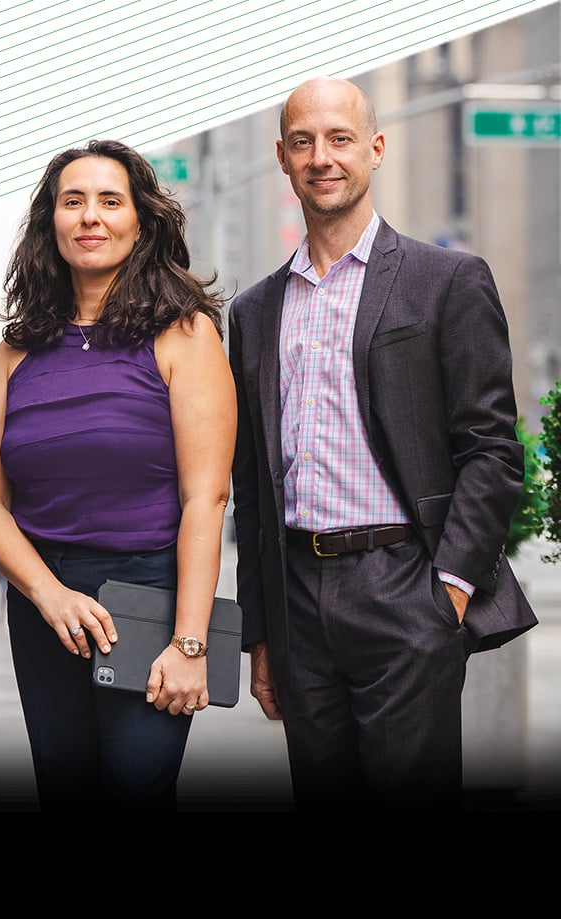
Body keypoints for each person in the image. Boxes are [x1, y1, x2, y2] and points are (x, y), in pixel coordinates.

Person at [229, 76, 538, 811]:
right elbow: (253, 485)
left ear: (375, 148)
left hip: (407, 586)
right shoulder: (253, 310)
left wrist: (451, 591)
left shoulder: (447, 282)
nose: (321, 156)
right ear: (281, 157)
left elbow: (492, 450)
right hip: (299, 595)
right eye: (302, 141)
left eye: (339, 139)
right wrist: (262, 630)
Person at [0, 139, 236, 811]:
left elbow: (208, 496)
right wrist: (47, 593)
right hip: (44, 606)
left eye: (110, 201)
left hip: (147, 596)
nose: (90, 217)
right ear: (50, 223)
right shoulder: (16, 349)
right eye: (73, 201)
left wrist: (190, 641)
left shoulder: (185, 334)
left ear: (141, 221)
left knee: (137, 790)